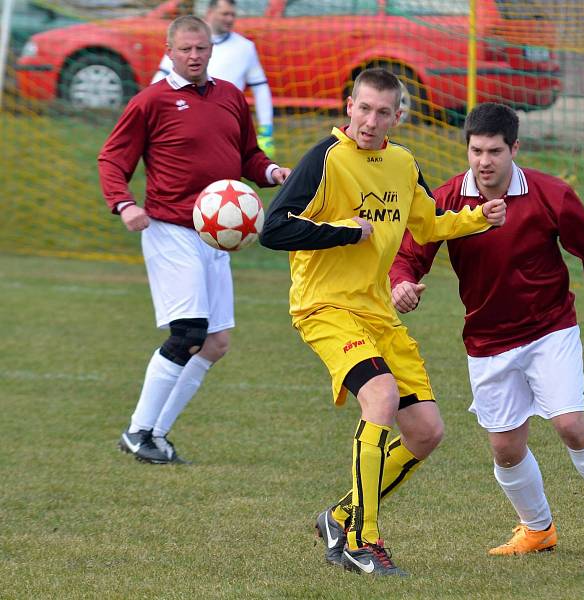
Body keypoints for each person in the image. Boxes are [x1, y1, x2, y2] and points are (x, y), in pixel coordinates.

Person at [259, 68, 506, 576]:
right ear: (349, 106)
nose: (370, 121)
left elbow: (429, 223)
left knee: (427, 431)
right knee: (381, 397)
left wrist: (479, 217)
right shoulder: (325, 160)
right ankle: (361, 539)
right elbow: (275, 229)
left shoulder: (401, 163)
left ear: (398, 116)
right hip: (324, 307)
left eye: (382, 112)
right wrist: (343, 232)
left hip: (376, 312)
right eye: (363, 108)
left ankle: (340, 515)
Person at [389, 102, 584, 556]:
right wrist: (402, 283)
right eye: (475, 151)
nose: (484, 161)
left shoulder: (551, 194)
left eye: (494, 151)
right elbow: (410, 253)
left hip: (550, 328)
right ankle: (537, 529)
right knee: (506, 449)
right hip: (487, 340)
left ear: (515, 148)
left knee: (570, 424)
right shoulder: (448, 198)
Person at [98, 15, 291, 465]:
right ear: (169, 51)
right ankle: (138, 430)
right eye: (185, 49)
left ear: (210, 50)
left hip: (216, 237)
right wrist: (124, 204)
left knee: (215, 342)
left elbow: (248, 156)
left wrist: (271, 172)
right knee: (188, 332)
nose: (194, 56)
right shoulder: (151, 101)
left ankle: (155, 436)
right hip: (169, 229)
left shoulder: (229, 96)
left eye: (201, 48)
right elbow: (112, 158)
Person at [152, 0, 277, 156]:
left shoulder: (245, 47)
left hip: (226, 124)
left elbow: (260, 87)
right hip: (183, 119)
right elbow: (161, 76)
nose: (230, 19)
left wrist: (266, 130)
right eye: (225, 14)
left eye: (233, 15)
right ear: (210, 12)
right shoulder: (185, 42)